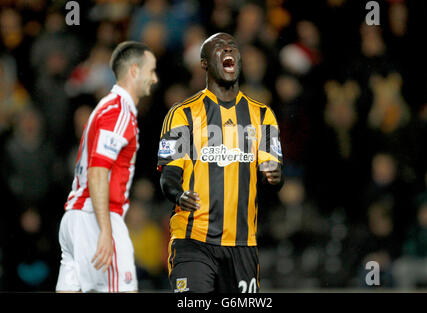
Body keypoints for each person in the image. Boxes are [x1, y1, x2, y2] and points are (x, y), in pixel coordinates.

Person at [157, 32, 284, 293]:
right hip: (193, 240)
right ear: (204, 63)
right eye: (219, 48)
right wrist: (178, 195)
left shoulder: (263, 115)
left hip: (242, 245)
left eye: (233, 48)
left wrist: (275, 176)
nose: (228, 51)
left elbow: (274, 178)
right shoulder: (183, 114)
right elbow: (169, 175)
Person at [56, 41, 158, 292]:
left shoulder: (104, 107)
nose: (154, 79)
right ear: (134, 71)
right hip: (97, 218)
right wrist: (104, 229)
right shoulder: (119, 113)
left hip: (76, 216)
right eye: (151, 71)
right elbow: (98, 171)